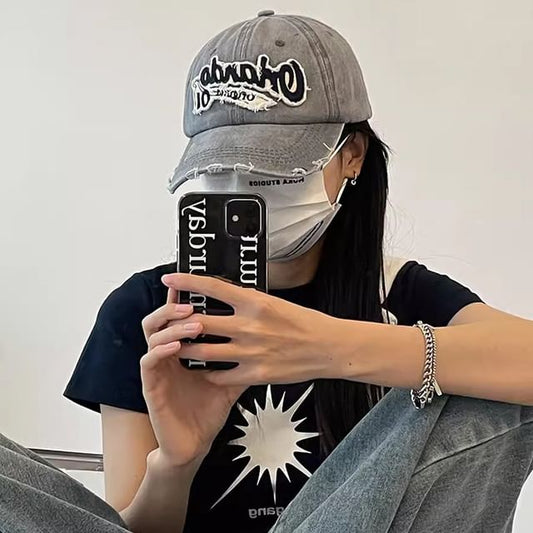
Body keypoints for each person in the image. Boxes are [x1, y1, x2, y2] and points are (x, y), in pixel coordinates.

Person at [1, 10, 531, 533]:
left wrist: (329, 345)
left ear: (352, 156)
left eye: (277, 168)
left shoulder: (395, 293)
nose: (244, 185)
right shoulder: (148, 309)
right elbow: (124, 528)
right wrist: (177, 462)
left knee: (491, 387)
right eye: (222, 167)